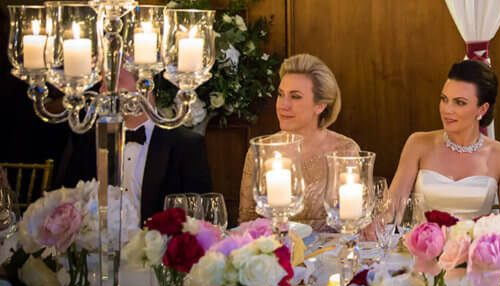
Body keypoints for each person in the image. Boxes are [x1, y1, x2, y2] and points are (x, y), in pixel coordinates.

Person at [59, 69, 211, 222]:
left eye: (113, 81)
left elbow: (199, 219)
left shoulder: (185, 145)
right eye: (102, 82)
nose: (102, 90)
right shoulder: (90, 141)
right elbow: (67, 201)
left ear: (145, 84)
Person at [389, 60, 500, 228]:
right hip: (422, 252)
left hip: (474, 253)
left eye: (459, 102)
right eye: (444, 99)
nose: (447, 109)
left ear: (482, 109)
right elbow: (391, 211)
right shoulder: (418, 144)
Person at [239, 54, 359, 227]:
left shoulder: (345, 150)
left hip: (331, 253)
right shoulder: (260, 151)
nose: (283, 105)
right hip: (277, 251)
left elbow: (356, 221)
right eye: (281, 95)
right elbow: (247, 221)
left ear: (320, 105)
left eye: (295, 96)